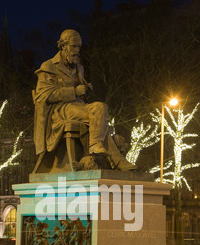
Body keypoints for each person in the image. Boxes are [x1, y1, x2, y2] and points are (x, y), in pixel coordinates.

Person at [32, 29, 137, 172]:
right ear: (63, 46)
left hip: (77, 107)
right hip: (59, 111)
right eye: (73, 46)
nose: (77, 50)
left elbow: (80, 96)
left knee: (101, 109)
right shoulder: (49, 66)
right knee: (98, 112)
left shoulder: (79, 67)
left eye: (79, 47)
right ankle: (114, 159)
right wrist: (73, 91)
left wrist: (85, 90)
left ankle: (99, 148)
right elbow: (44, 95)